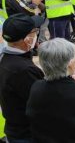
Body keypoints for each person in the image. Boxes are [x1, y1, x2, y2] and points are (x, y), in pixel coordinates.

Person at [0, 14, 45, 143]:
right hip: (26, 134)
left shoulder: (5, 58)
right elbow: (43, 100)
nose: (37, 34)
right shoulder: (23, 70)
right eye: (34, 31)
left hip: (15, 129)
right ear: (26, 39)